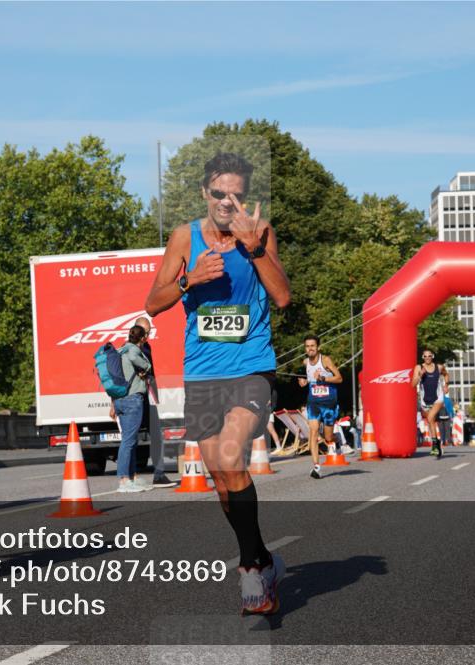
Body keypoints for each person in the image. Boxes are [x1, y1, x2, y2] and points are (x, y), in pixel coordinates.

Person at [146, 151, 291, 615]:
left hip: (252, 365)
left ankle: (250, 569)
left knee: (232, 455)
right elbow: (153, 303)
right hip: (203, 372)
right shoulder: (183, 237)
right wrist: (190, 280)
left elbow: (283, 297)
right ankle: (266, 557)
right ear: (205, 193)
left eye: (238, 196)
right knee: (223, 483)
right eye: (220, 194)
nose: (229, 203)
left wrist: (254, 249)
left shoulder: (260, 233)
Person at [134, 316, 177, 488]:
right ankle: (132, 476)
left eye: (149, 332)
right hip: (135, 398)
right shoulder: (128, 349)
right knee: (132, 438)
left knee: (157, 435)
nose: (148, 336)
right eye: (146, 332)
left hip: (149, 397)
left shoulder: (147, 347)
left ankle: (159, 475)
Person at [297, 335, 344, 479]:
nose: (310, 349)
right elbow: (307, 379)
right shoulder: (305, 362)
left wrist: (323, 378)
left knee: (328, 436)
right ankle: (316, 467)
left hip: (329, 403)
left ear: (318, 347)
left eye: (313, 346)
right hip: (313, 403)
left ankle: (337, 441)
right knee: (313, 431)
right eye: (307, 346)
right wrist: (304, 383)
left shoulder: (325, 360)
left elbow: (340, 378)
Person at [112, 325, 152, 492]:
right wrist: (145, 368)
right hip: (132, 399)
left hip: (119, 400)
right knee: (128, 441)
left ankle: (132, 476)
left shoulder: (120, 350)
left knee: (130, 440)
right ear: (142, 338)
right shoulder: (134, 351)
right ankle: (124, 480)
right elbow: (147, 366)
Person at [411, 349, 448, 458]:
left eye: (429, 356)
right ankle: (437, 444)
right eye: (425, 356)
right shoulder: (418, 368)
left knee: (431, 417)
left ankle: (435, 446)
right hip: (425, 400)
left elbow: (446, 375)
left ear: (433, 356)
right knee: (431, 421)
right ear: (422, 357)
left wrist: (446, 385)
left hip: (438, 398)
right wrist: (419, 375)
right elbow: (413, 384)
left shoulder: (439, 367)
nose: (427, 358)